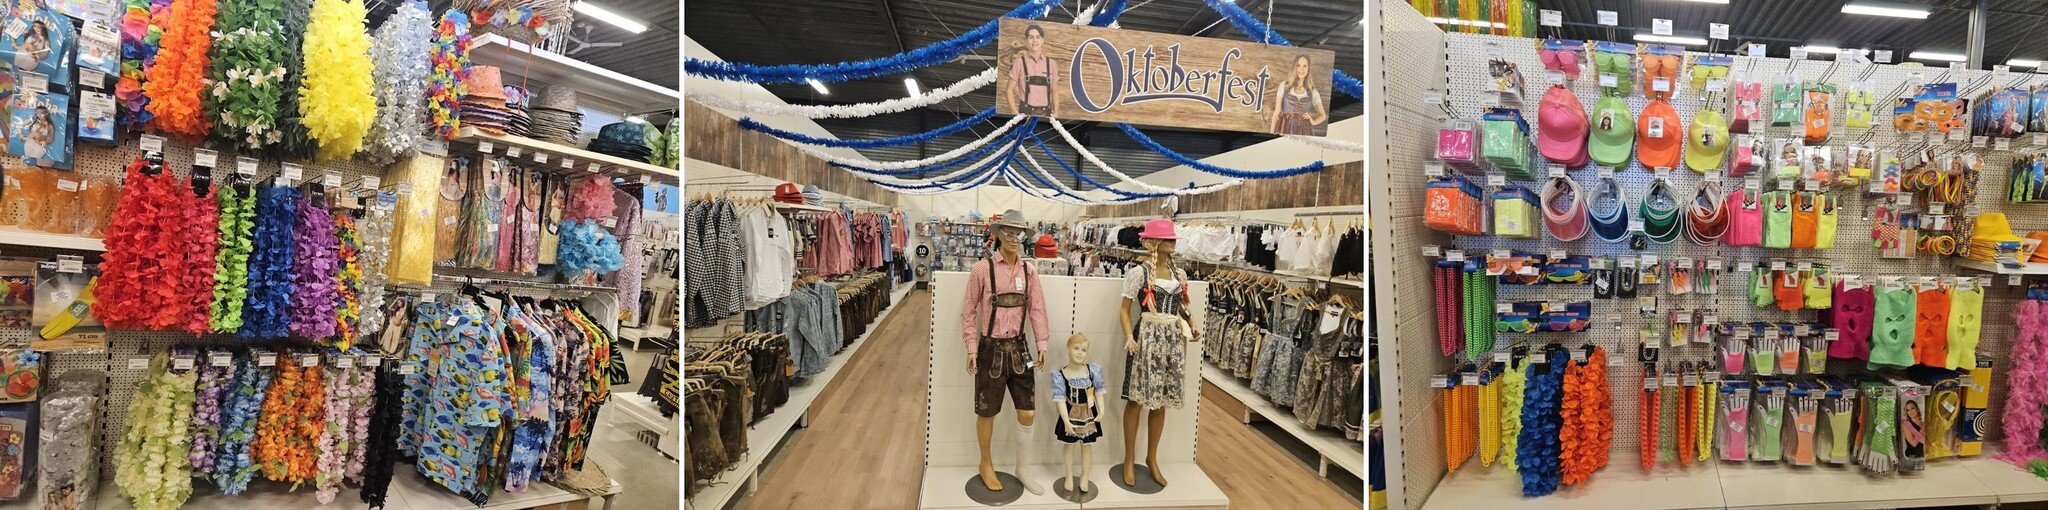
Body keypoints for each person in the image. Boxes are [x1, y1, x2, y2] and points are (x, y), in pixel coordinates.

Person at [962, 209, 1050, 494]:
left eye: (1019, 233)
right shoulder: (982, 269)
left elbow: (1037, 309)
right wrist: (971, 347)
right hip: (990, 349)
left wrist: (1042, 343)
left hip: (1021, 349)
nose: (1014, 238)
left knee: (1028, 412)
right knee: (987, 412)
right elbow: (967, 312)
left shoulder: (1030, 271)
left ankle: (1023, 469)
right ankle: (985, 463)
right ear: (998, 234)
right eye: (1009, 232)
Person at [1117, 218, 1199, 487]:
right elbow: (1124, 310)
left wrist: (1191, 322)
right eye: (1168, 239)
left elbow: (1181, 306)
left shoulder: (1179, 274)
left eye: (1173, 239)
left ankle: (1152, 458)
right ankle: (1129, 458)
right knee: (1135, 399)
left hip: (1171, 340)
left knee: (1161, 399)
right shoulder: (1138, 273)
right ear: (1152, 242)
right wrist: (1130, 337)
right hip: (1146, 338)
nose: (1172, 242)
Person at [1052, 333, 1104, 494]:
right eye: (1076, 348)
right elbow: (1060, 400)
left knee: (1086, 445)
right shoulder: (1061, 375)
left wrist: (1102, 410)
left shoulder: (1092, 371)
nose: (1080, 353)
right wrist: (1066, 422)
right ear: (1068, 349)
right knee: (1069, 445)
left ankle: (1084, 476)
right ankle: (1068, 476)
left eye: (1084, 350)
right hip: (1070, 414)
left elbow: (1099, 392)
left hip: (1089, 414)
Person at [1008, 24, 1059, 116]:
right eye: (1031, 37)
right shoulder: (1018, 62)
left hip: (1046, 114)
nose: (1034, 40)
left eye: (1038, 37)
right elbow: (1009, 89)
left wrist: (1055, 113)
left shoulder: (1052, 64)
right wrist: (1015, 112)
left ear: (1042, 40)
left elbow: (1054, 90)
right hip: (1025, 112)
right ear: (1026, 40)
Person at [1271, 55, 1328, 135]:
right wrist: (1271, 132)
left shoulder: (1313, 91)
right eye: (1298, 65)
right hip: (1286, 127)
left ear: (1308, 69)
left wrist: (1313, 122)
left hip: (1305, 130)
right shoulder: (1284, 85)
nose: (1301, 69)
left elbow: (1323, 115)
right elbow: (1277, 111)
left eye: (1305, 66)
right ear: (1294, 67)